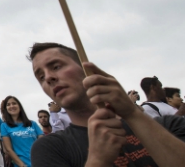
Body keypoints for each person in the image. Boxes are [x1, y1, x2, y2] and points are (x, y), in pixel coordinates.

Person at [28, 42, 185, 166]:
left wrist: (132, 114)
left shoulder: (169, 125)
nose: (48, 78)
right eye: (41, 77)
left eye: (56, 66)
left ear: (87, 69)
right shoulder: (50, 148)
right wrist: (97, 161)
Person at [0, 96, 42, 167]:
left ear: (19, 106)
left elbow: (42, 142)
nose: (11, 106)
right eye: (8, 105)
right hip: (21, 165)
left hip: (40, 162)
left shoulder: (33, 124)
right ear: (6, 109)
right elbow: (8, 149)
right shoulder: (4, 126)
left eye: (14, 103)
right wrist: (22, 165)